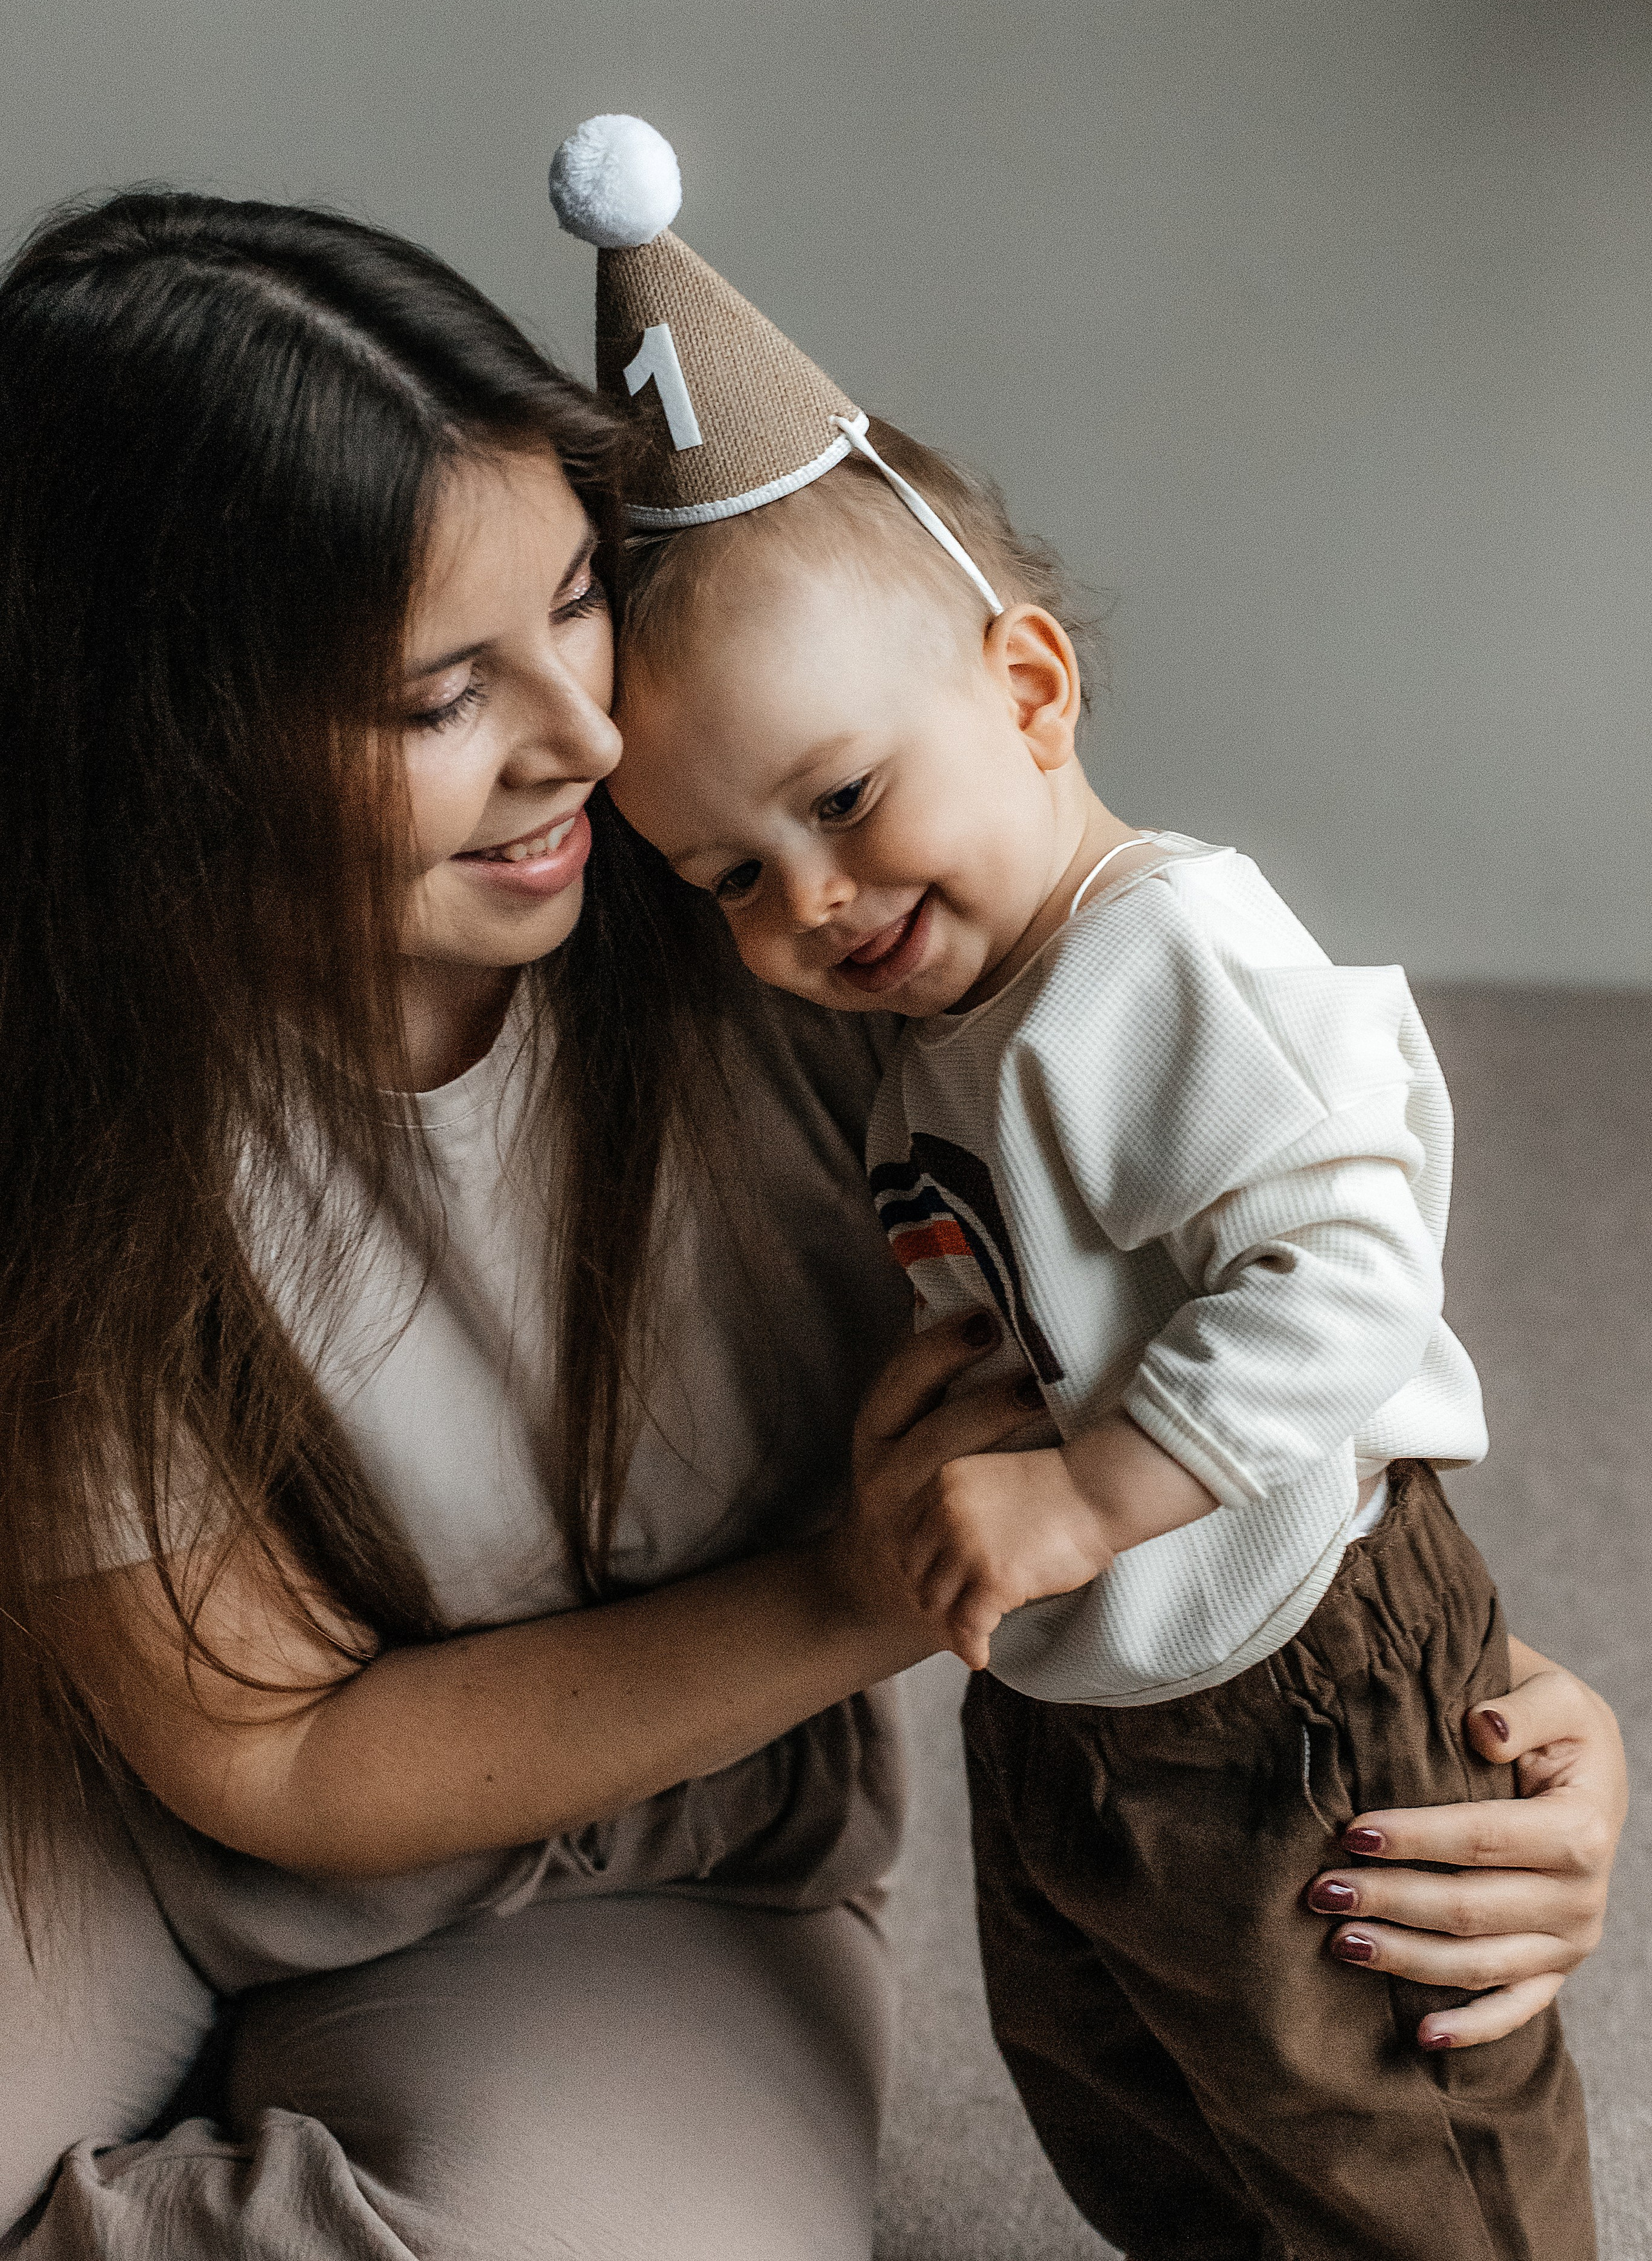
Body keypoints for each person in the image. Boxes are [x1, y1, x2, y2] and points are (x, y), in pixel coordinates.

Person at [0, 176, 1624, 2261]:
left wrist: (1473, 1705)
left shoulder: (788, 916)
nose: (592, 741)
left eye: (577, 599)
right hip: (113, 1805)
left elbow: (1248, 1274)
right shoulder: (77, 1101)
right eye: (436, 700)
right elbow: (284, 1762)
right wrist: (875, 1577)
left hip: (651, 1869)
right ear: (162, 765)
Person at [561, 116, 1606, 2256]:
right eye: (730, 876)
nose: (813, 902)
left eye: (847, 801)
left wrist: (1081, 1497)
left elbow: (1349, 1271)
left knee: (1391, 2156)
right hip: (1088, 1696)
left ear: (1027, 687)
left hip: (1300, 1668)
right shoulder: (937, 1013)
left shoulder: (1170, 954)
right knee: (1145, 2116)